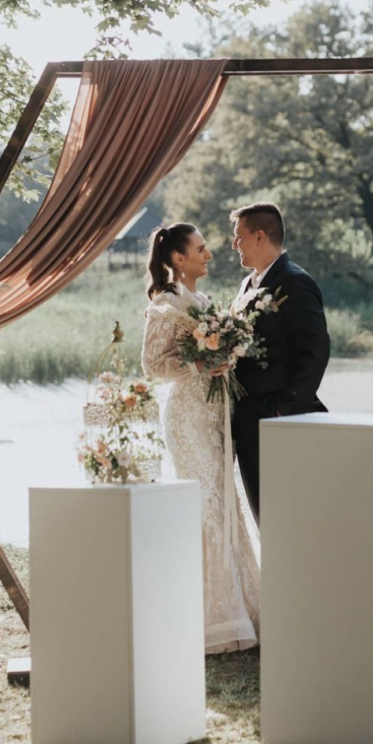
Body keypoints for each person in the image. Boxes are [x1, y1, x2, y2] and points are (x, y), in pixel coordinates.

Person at [141, 222, 260, 654]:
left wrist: (225, 355)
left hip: (215, 415)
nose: (209, 254)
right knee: (205, 506)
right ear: (178, 258)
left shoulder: (204, 301)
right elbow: (152, 366)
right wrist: (198, 366)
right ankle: (213, 620)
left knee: (225, 503)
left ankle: (241, 607)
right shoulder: (166, 303)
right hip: (188, 418)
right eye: (201, 248)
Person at [231, 202, 330, 523]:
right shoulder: (247, 284)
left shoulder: (295, 282)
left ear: (259, 237)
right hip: (247, 419)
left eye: (239, 237)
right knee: (263, 514)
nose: (235, 244)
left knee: (292, 514)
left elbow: (314, 350)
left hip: (280, 417)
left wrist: (285, 408)